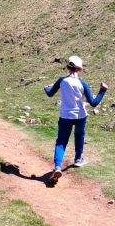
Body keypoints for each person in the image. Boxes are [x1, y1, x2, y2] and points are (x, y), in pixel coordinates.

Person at [43, 55, 108, 183]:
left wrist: (46, 88)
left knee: (61, 142)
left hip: (65, 116)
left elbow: (50, 93)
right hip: (80, 116)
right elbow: (94, 103)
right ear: (80, 69)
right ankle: (78, 159)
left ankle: (57, 167)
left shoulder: (62, 81)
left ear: (67, 67)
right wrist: (102, 90)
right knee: (79, 137)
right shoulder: (82, 84)